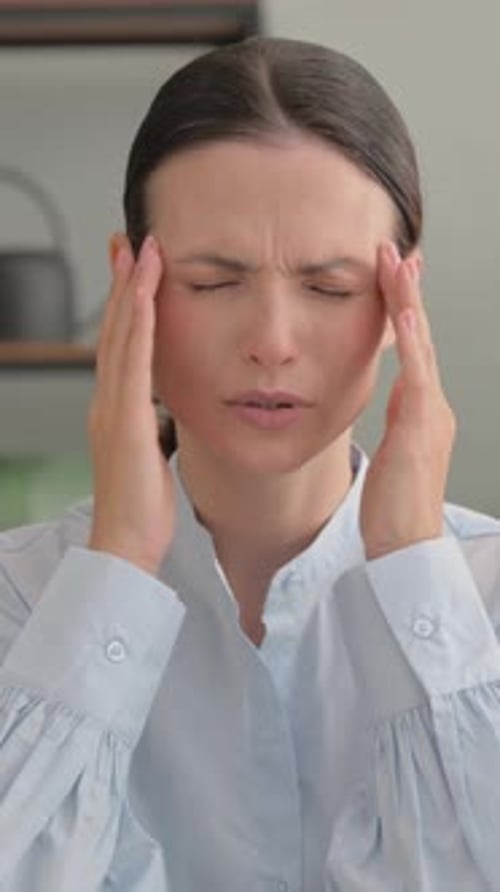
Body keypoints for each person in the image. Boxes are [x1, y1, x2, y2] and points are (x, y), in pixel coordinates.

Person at [0, 35, 499, 892]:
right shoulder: (21, 602)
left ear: (398, 302)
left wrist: (415, 571)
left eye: (330, 287)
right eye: (212, 281)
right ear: (131, 284)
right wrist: (117, 561)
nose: (272, 343)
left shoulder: (483, 601)